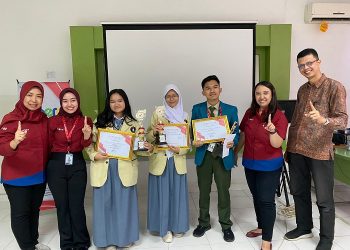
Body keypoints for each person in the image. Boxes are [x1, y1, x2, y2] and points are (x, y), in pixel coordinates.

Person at [284, 48, 348, 250]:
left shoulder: (334, 87)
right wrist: (289, 148)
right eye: (301, 65)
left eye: (309, 63)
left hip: (320, 152)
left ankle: (326, 238)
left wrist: (324, 120)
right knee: (299, 192)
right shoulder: (303, 90)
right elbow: (296, 120)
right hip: (298, 150)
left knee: (324, 199)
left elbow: (343, 119)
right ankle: (304, 227)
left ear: (319, 62)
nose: (305, 68)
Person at [85, 89, 153, 249]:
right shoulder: (99, 122)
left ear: (125, 102)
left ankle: (124, 238)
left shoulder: (135, 124)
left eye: (120, 100)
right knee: (105, 205)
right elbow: (89, 144)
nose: (116, 104)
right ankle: (107, 240)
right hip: (104, 169)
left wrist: (146, 147)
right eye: (112, 101)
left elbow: (137, 149)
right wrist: (94, 155)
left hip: (125, 170)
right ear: (108, 104)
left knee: (124, 205)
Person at [234, 81, 288, 250]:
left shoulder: (279, 116)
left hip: (269, 166)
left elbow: (277, 143)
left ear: (272, 95)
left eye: (265, 93)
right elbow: (243, 134)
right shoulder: (250, 113)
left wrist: (272, 131)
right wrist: (236, 151)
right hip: (250, 163)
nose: (261, 96)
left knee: (266, 201)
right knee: (257, 197)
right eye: (258, 93)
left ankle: (267, 240)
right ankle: (261, 226)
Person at [0, 81, 50, 250]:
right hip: (17, 176)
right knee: (21, 213)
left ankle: (33, 242)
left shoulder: (44, 119)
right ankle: (27, 247)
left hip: (38, 175)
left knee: (34, 211)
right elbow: (2, 147)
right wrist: (14, 141)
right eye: (30, 95)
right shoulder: (11, 118)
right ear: (22, 96)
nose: (34, 100)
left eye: (39, 96)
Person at [191, 75, 239, 242]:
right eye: (208, 88)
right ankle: (203, 223)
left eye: (215, 87)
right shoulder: (197, 109)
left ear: (220, 89)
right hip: (204, 155)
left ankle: (226, 225)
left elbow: (236, 132)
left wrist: (233, 142)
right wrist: (194, 141)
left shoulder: (231, 110)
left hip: (222, 155)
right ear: (203, 92)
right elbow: (193, 131)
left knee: (223, 191)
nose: (212, 90)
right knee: (203, 191)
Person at [47, 88, 92, 250]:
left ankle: (81, 241)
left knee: (76, 204)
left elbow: (86, 145)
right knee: (62, 205)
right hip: (56, 165)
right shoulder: (52, 121)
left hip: (77, 163)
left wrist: (87, 136)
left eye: (73, 100)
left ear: (78, 101)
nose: (69, 104)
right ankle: (66, 242)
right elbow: (47, 145)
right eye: (65, 101)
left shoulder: (86, 120)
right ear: (60, 103)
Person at [146, 84, 190, 243]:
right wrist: (155, 131)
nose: (171, 99)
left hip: (177, 160)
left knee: (177, 196)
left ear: (179, 97)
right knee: (162, 196)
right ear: (164, 98)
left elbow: (188, 143)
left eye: (174, 95)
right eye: (168, 96)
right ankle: (164, 229)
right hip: (161, 160)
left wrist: (180, 150)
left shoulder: (185, 115)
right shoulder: (157, 114)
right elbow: (148, 137)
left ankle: (178, 226)